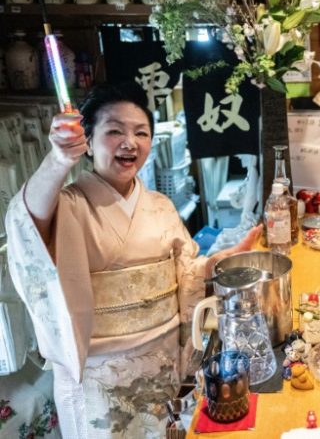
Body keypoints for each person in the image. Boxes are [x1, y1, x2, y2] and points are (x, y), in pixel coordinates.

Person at [4, 82, 261, 438]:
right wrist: (59, 159)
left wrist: (217, 263)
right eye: (114, 131)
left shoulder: (159, 205)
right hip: (99, 376)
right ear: (88, 142)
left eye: (141, 132)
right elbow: (26, 221)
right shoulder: (67, 205)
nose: (130, 142)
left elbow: (183, 275)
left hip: (161, 363)